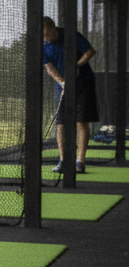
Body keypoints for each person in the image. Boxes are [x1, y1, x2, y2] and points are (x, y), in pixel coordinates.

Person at [42, 16, 98, 173]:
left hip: (83, 83)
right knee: (61, 124)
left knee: (81, 122)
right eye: (45, 35)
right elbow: (49, 68)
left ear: (54, 27)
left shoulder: (70, 35)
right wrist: (62, 82)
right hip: (62, 86)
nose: (48, 37)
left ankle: (80, 161)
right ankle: (63, 161)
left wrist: (76, 65)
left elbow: (90, 51)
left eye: (50, 33)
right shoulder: (43, 45)